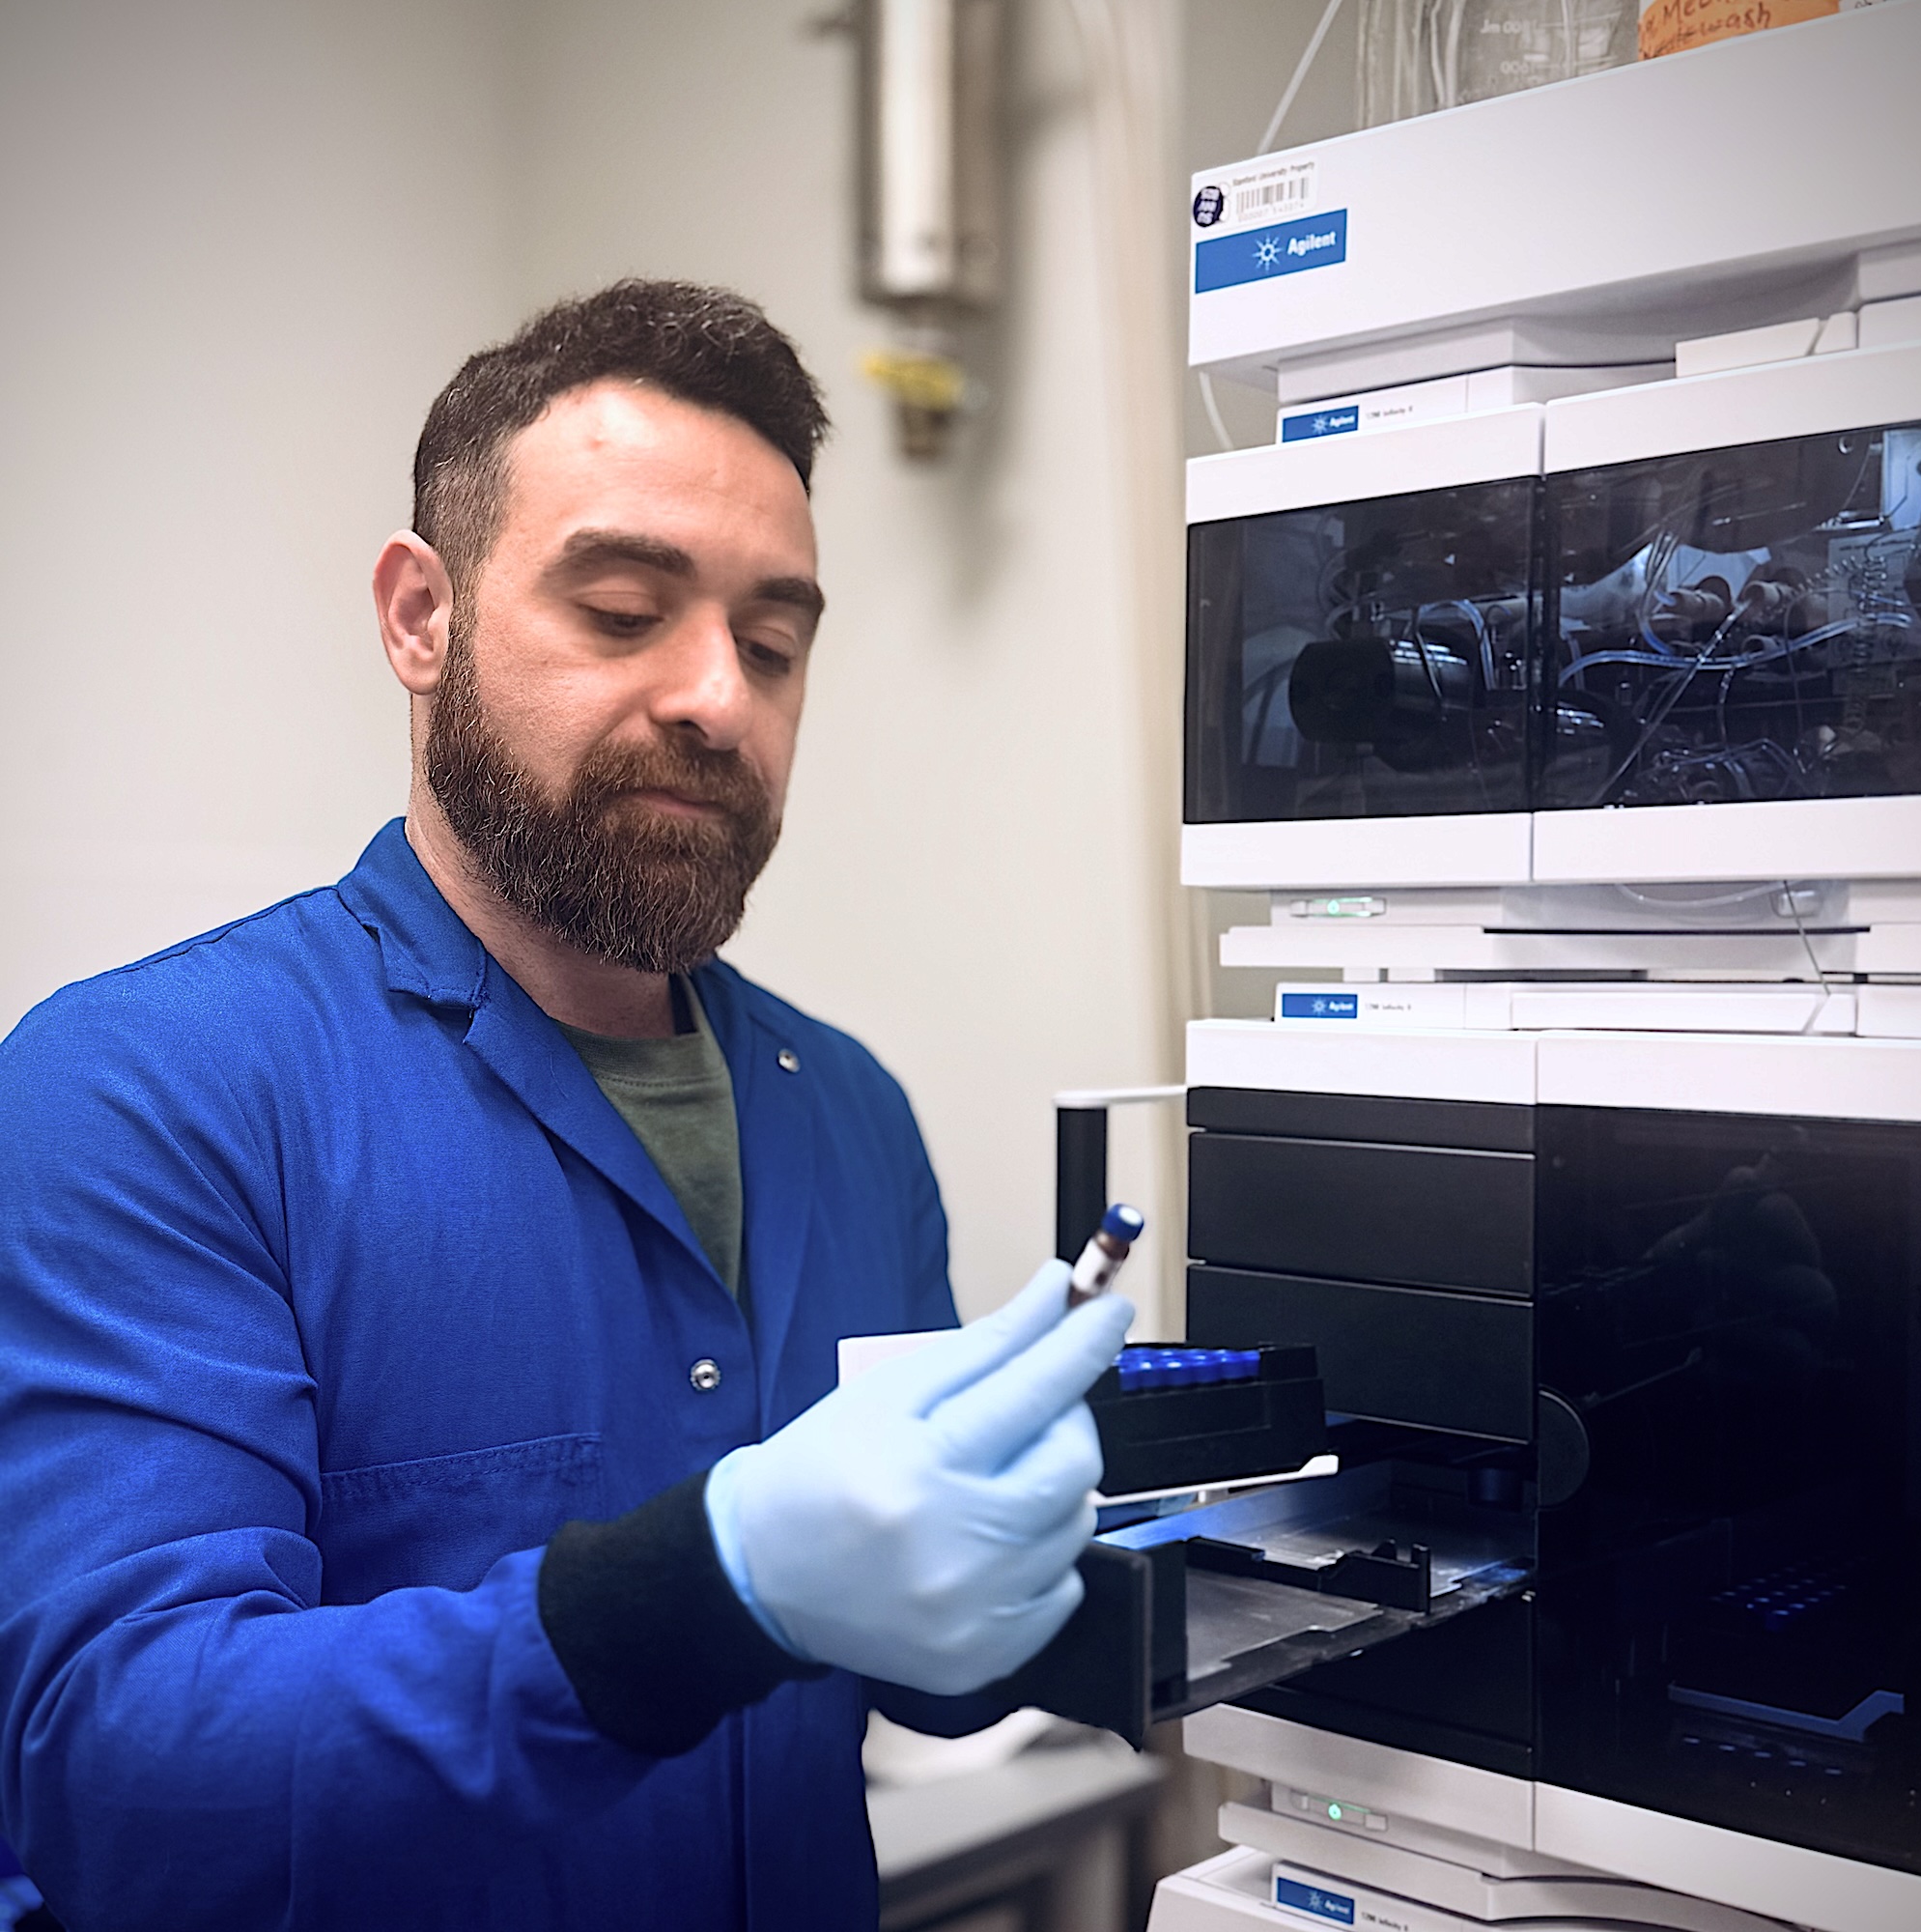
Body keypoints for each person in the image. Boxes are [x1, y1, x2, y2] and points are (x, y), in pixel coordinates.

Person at [0, 281, 1133, 1931]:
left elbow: (919, 1677)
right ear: (420, 617)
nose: (719, 698)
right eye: (622, 611)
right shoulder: (147, 1094)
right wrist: (698, 1595)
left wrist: (1076, 1553)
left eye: (772, 645)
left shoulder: (849, 1115)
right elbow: (120, 1776)